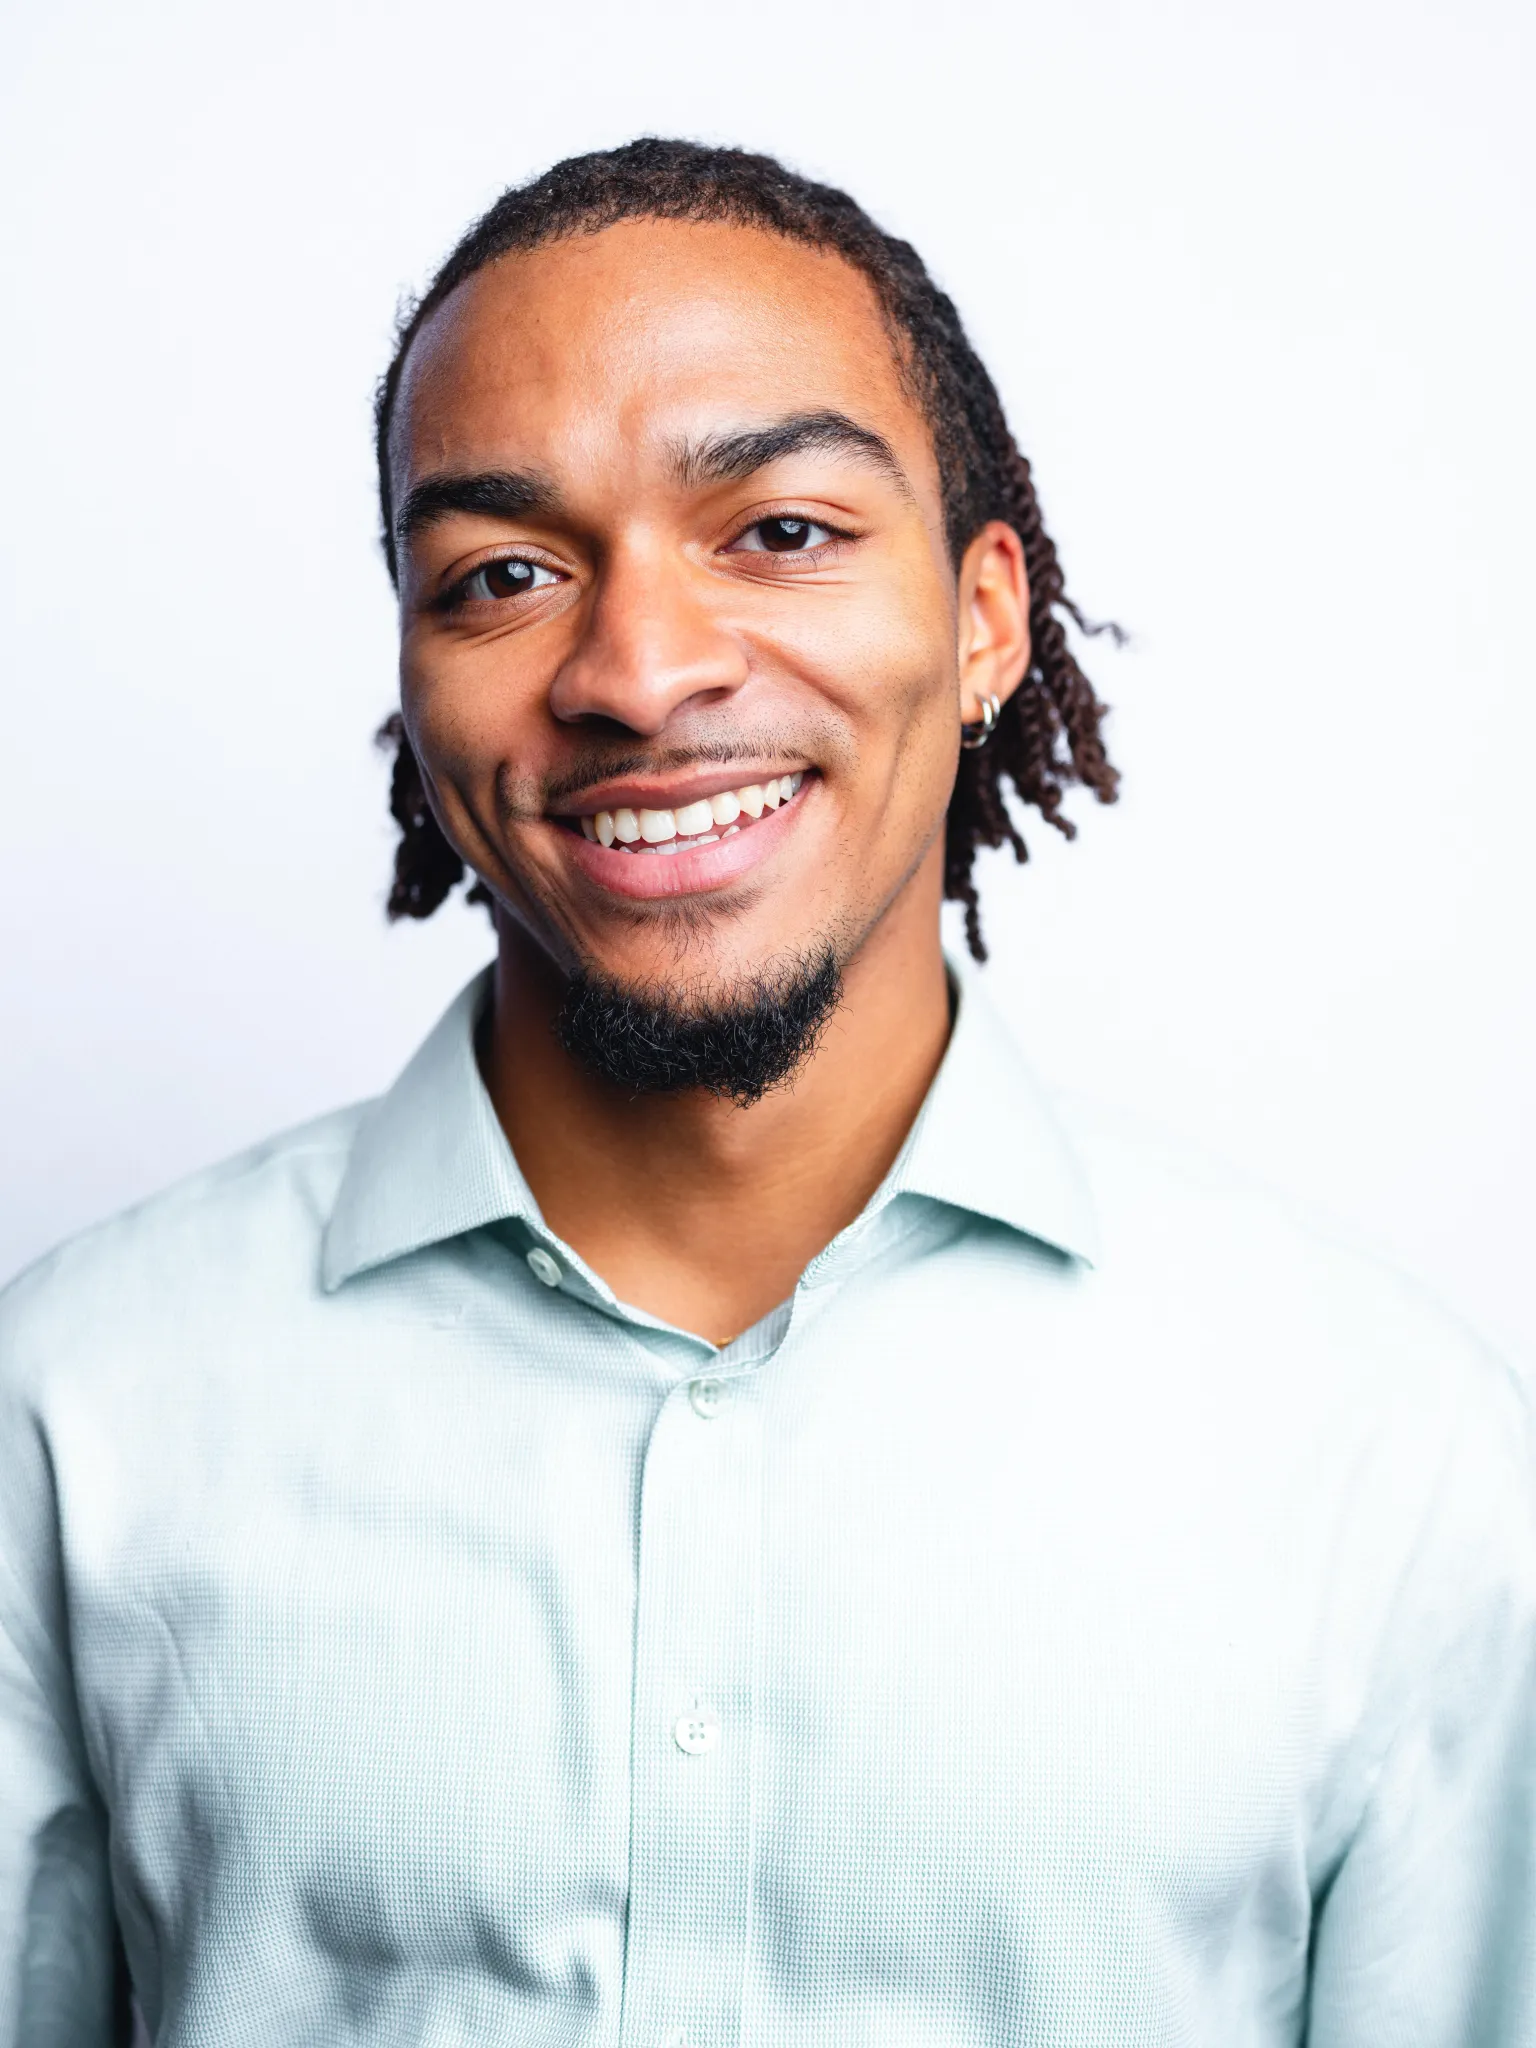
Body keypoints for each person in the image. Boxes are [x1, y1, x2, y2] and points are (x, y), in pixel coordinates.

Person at [1, 138, 1530, 2048]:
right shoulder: (71, 1411)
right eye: (504, 575)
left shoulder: (1385, 1455)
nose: (639, 674)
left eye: (782, 532)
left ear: (984, 620)